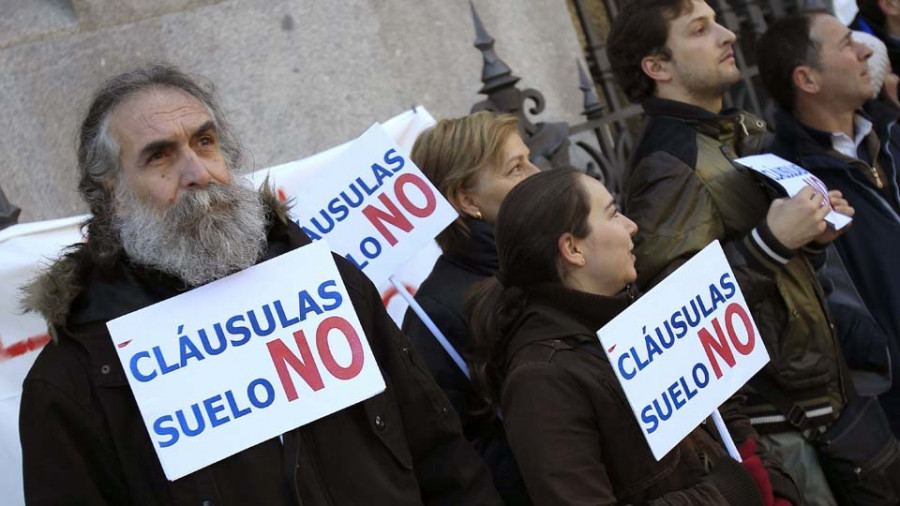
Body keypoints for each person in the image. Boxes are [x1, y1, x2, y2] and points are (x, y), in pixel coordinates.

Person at [18, 64, 502, 505]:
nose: (197, 173)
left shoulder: (331, 285)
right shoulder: (74, 382)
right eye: (159, 156)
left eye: (204, 142)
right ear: (111, 195)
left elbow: (443, 458)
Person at [606, 0, 891, 503]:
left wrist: (808, 239)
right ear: (657, 67)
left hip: (830, 406)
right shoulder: (668, 163)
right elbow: (678, 319)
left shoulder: (731, 132)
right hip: (782, 430)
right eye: (700, 29)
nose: (728, 34)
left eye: (718, 20)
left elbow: (774, 281)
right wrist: (772, 242)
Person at [466, 167, 799, 505]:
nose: (631, 225)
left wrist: (770, 477)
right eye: (613, 214)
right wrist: (725, 493)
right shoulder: (541, 380)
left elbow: (719, 413)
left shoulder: (634, 312)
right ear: (572, 249)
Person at [758, 12, 900, 437]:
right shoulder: (788, 182)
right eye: (845, 44)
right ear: (808, 79)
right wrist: (888, 355)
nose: (866, 50)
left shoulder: (891, 132)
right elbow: (812, 297)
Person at [401, 111, 538, 505]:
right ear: (467, 199)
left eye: (528, 159)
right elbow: (454, 455)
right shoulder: (436, 316)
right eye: (516, 168)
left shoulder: (554, 259)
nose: (538, 173)